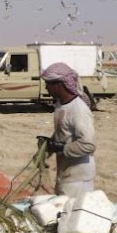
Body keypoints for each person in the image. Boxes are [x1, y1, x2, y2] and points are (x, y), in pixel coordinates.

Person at [37, 62, 96, 198]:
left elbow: (89, 144)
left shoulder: (78, 110)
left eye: (48, 84)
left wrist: (61, 148)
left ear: (59, 84)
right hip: (66, 173)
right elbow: (63, 132)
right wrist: (49, 145)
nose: (46, 87)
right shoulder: (61, 106)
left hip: (78, 178)